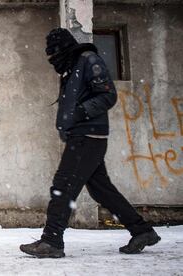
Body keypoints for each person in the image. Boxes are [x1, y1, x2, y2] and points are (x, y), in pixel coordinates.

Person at [19, 28, 161, 258]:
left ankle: (52, 240)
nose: (52, 58)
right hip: (83, 135)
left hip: (87, 136)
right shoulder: (71, 68)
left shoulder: (88, 60)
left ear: (64, 47)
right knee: (102, 190)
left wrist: (80, 113)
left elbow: (108, 95)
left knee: (63, 186)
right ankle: (142, 230)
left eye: (54, 52)